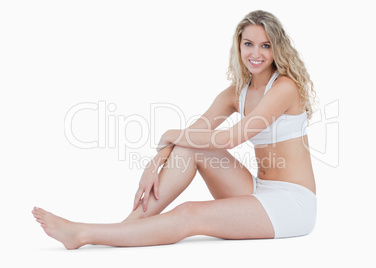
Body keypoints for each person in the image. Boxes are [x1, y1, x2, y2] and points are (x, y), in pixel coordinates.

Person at [32, 10, 317, 249]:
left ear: (277, 48)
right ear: (238, 45)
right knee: (190, 147)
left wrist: (167, 134)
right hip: (257, 189)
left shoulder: (284, 88)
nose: (256, 53)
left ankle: (85, 233)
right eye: (248, 44)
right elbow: (195, 133)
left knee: (190, 212)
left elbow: (232, 138)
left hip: (291, 203)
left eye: (265, 46)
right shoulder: (237, 92)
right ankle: (125, 229)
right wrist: (156, 160)